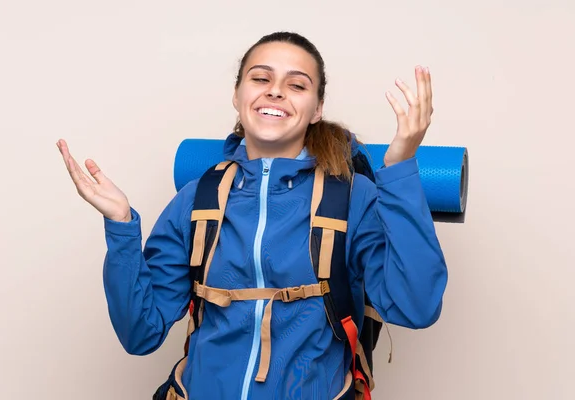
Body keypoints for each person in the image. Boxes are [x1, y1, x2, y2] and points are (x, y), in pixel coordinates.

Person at [57, 31, 447, 400]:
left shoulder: (352, 196)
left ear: (317, 109)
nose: (275, 90)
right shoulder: (197, 199)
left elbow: (416, 306)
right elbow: (140, 332)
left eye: (297, 85)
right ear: (237, 95)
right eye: (260, 78)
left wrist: (400, 167)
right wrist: (122, 225)